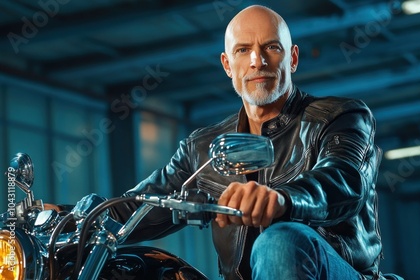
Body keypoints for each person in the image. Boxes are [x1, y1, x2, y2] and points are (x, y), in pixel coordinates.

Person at [60, 4, 395, 280]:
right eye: (243, 50)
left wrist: (282, 200)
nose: (257, 61)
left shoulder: (340, 116)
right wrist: (65, 216)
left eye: (271, 48)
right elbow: (140, 206)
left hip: (343, 273)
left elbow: (342, 180)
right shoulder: (202, 147)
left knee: (279, 241)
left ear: (292, 58)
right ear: (227, 64)